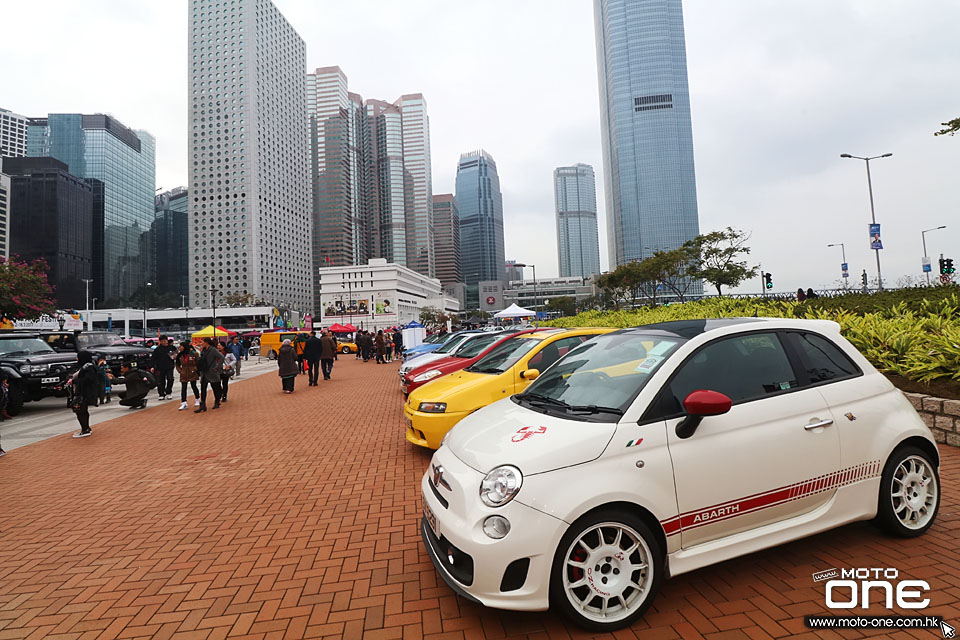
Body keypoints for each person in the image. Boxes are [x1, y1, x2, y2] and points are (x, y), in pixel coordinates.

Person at [69, 351, 102, 438]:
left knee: (80, 410)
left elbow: (88, 380)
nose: (76, 359)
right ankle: (86, 428)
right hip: (84, 392)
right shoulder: (86, 366)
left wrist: (74, 381)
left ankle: (85, 429)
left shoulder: (88, 368)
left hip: (84, 393)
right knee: (82, 410)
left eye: (78, 357)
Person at [196, 337, 224, 412]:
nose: (201, 344)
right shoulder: (203, 350)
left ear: (206, 342)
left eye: (202, 342)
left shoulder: (213, 349)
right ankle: (203, 405)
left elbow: (221, 357)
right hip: (204, 372)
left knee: (215, 388)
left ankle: (217, 402)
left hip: (212, 371)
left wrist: (217, 367)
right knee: (203, 388)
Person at [151, 335, 178, 401]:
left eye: (165, 341)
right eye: (162, 341)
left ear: (167, 340)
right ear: (160, 342)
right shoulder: (157, 349)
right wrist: (152, 366)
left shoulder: (172, 348)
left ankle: (168, 392)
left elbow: (176, 355)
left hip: (170, 366)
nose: (164, 342)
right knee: (160, 381)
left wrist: (175, 357)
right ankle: (161, 394)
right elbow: (153, 359)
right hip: (160, 367)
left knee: (170, 379)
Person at [176, 341, 201, 410]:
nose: (180, 348)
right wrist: (180, 371)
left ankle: (197, 399)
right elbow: (177, 364)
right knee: (183, 387)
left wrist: (195, 369)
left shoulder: (193, 354)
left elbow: (198, 362)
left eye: (181, 346)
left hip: (192, 371)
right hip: (184, 372)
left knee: (194, 386)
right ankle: (184, 402)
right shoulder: (180, 355)